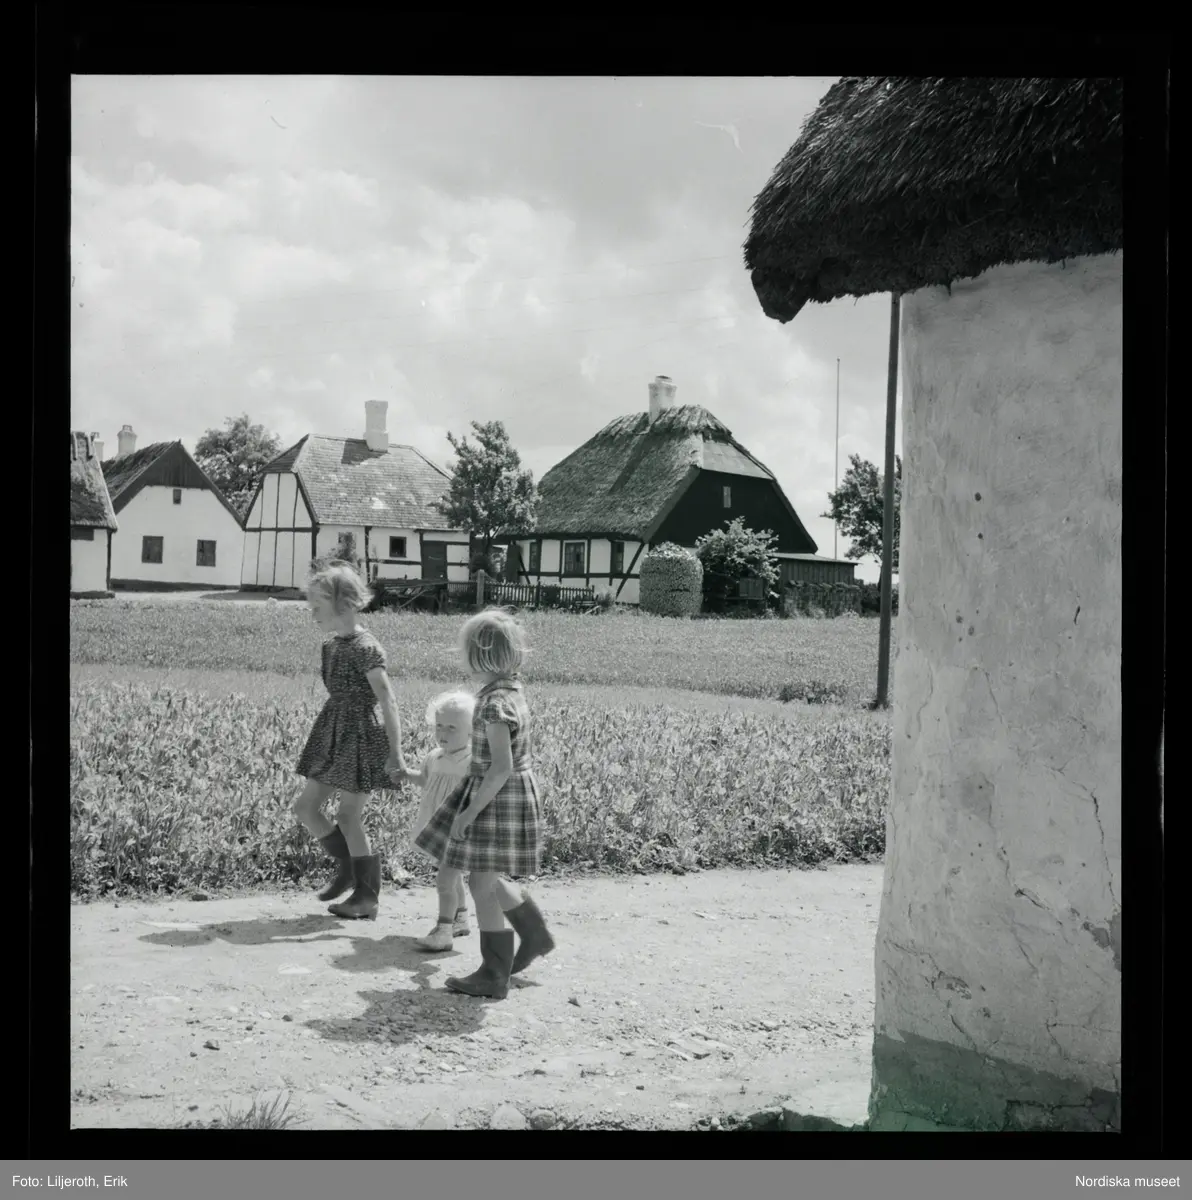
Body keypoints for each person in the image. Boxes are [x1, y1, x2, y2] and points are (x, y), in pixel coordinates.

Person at [414, 607, 554, 999]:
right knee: (486, 877)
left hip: (496, 797)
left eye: (464, 651)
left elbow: (501, 766)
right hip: (505, 793)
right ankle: (533, 934)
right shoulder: (511, 692)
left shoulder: (493, 705)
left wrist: (471, 810)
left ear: (479, 655)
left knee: (480, 882)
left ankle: (494, 972)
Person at [293, 562, 405, 920]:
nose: (312, 613)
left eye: (317, 606)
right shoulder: (330, 646)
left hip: (361, 735)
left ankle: (367, 896)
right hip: (333, 732)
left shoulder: (366, 647)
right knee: (306, 807)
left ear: (342, 604)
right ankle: (347, 869)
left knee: (348, 815)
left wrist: (396, 752)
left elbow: (387, 700)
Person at [396, 690, 475, 951]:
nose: (443, 732)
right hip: (438, 825)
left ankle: (444, 930)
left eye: (452, 727)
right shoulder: (434, 756)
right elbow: (425, 780)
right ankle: (460, 919)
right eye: (439, 726)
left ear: (471, 731)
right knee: (451, 874)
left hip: (458, 827)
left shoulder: (472, 762)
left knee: (445, 879)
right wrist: (406, 774)